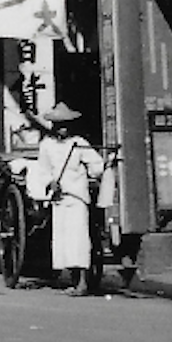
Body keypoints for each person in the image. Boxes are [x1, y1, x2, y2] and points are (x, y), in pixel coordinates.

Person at [33, 103, 104, 295]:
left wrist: (94, 172)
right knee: (63, 240)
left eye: (65, 124)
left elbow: (97, 164)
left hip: (77, 197)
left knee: (79, 239)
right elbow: (43, 170)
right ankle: (72, 280)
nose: (62, 128)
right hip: (59, 198)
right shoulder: (46, 145)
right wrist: (50, 182)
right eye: (58, 124)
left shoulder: (79, 143)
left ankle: (82, 282)